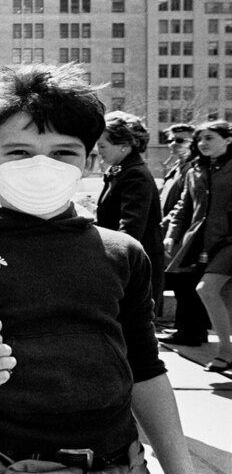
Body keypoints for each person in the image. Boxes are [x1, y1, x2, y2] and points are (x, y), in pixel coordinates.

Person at [0, 63, 193, 474]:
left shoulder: (122, 252)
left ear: (89, 161)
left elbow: (145, 368)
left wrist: (181, 467)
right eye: (19, 152)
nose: (41, 165)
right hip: (0, 461)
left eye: (63, 153)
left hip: (117, 459)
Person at [165, 120, 232, 372]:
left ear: (228, 140)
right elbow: (183, 207)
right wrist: (171, 234)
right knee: (218, 294)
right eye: (200, 139)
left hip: (228, 241)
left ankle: (226, 352)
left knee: (207, 289)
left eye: (210, 138)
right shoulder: (195, 170)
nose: (203, 143)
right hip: (203, 241)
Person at [95, 111, 165, 316]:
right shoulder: (123, 170)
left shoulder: (134, 174)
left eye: (102, 145)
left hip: (133, 267)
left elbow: (131, 226)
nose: (98, 151)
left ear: (124, 145)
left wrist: (113, 263)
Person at [158, 124, 210, 346]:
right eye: (171, 140)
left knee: (186, 285)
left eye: (180, 140)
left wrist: (168, 226)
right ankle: (188, 328)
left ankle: (191, 331)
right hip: (175, 233)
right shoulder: (177, 168)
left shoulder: (194, 169)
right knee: (182, 285)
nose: (173, 144)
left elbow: (185, 206)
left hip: (187, 236)